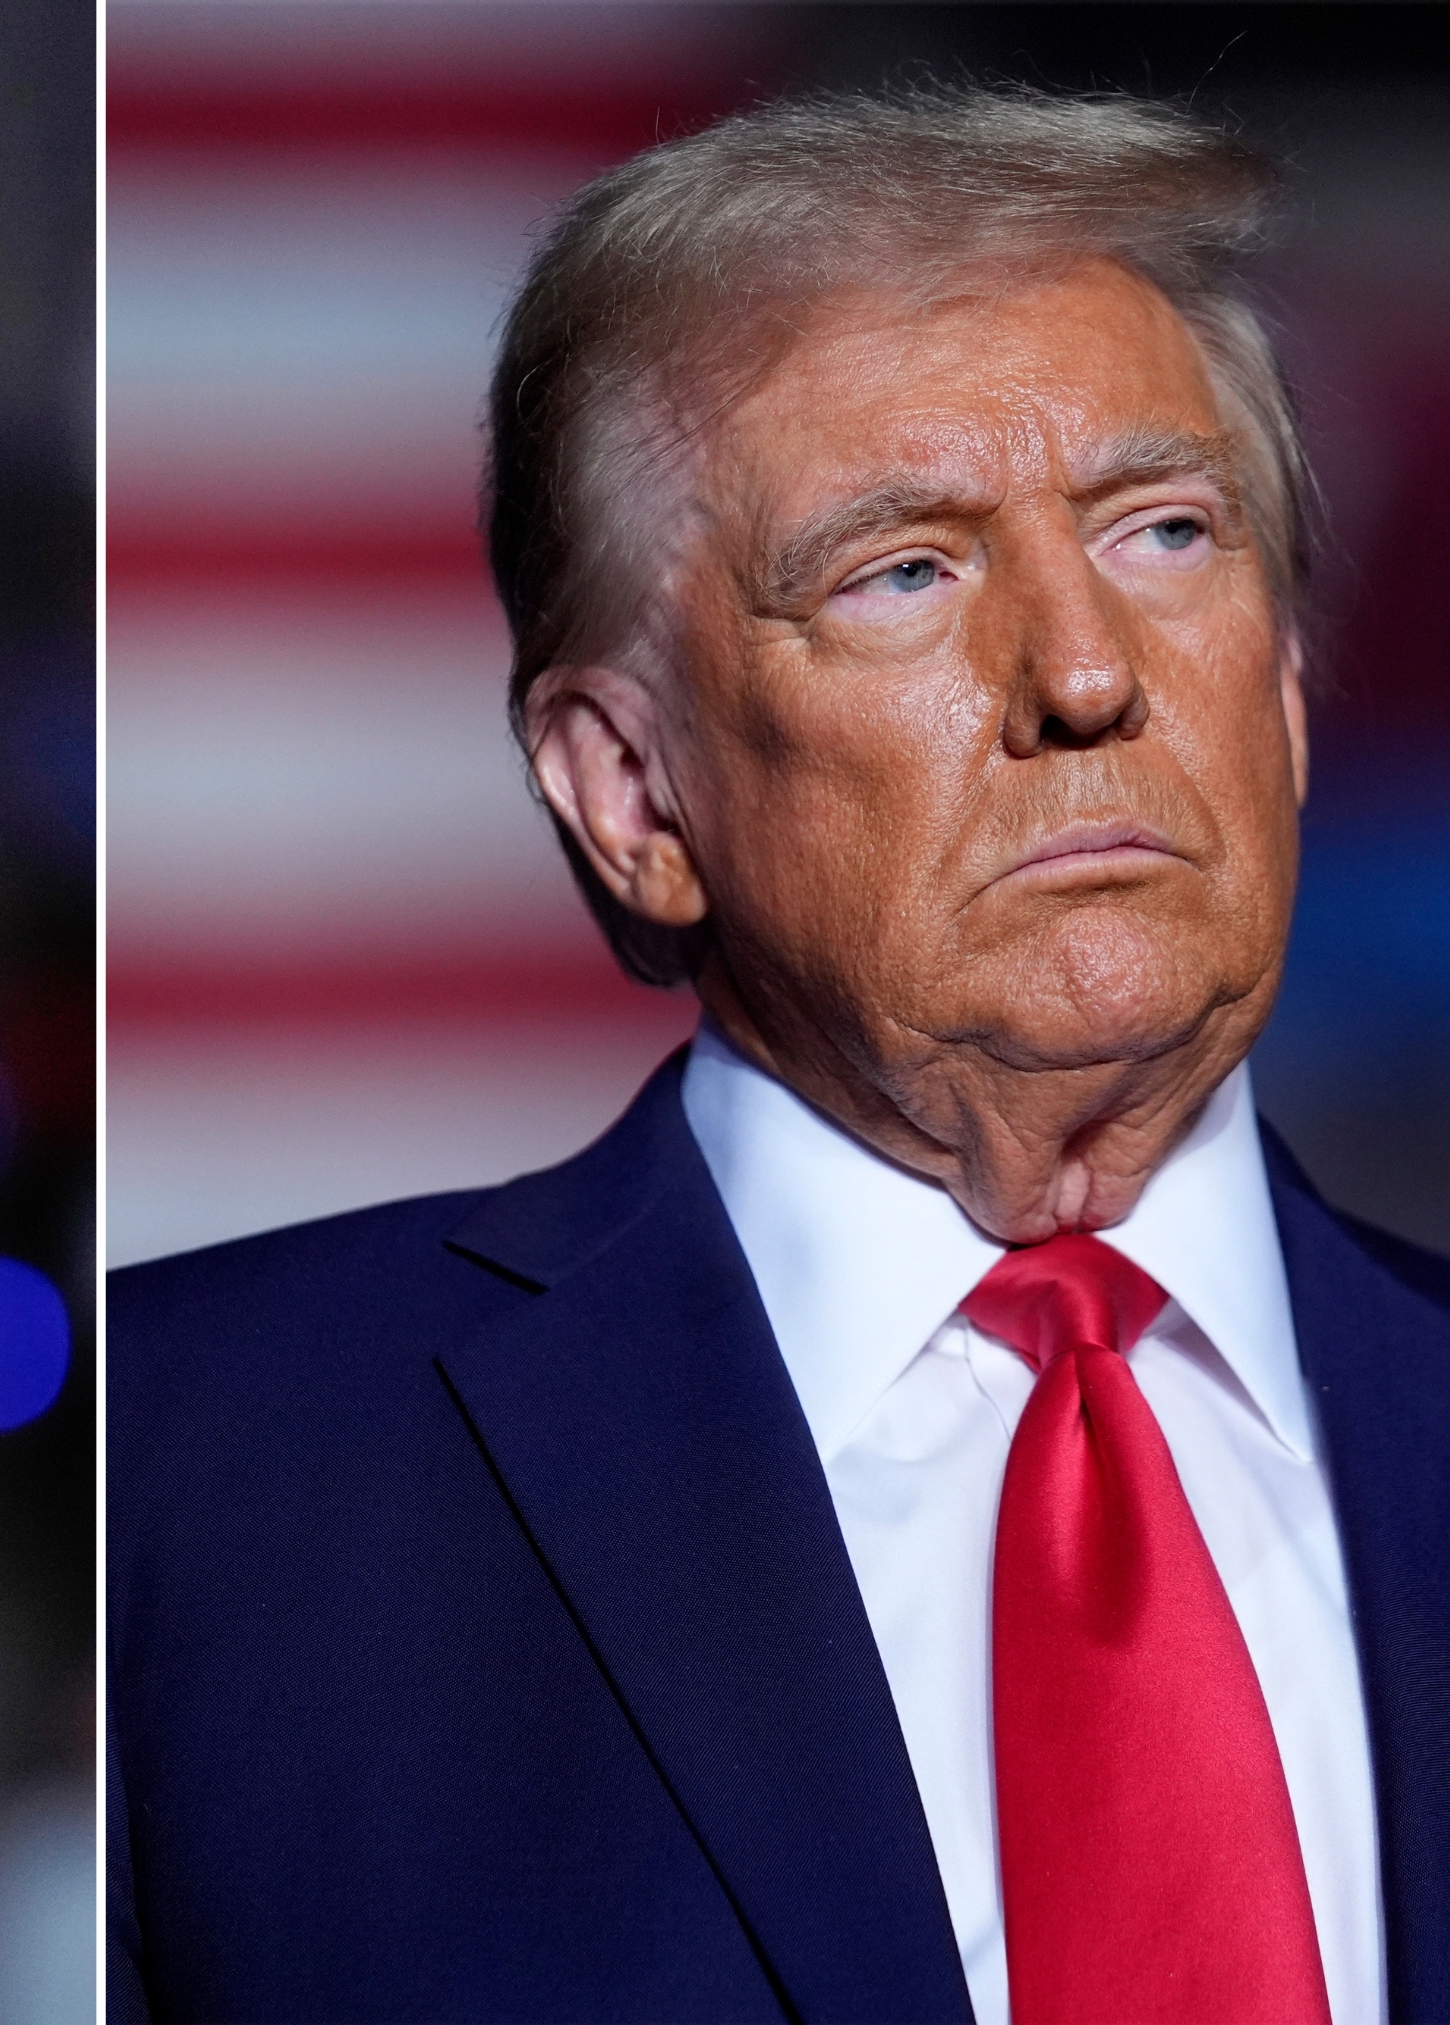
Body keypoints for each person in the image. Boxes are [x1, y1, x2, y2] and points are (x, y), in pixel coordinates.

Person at [108, 86, 1450, 2025]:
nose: (1087, 670)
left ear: (1294, 686)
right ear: (634, 789)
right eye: (904, 568)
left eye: (1165, 528)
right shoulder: (194, 1485)